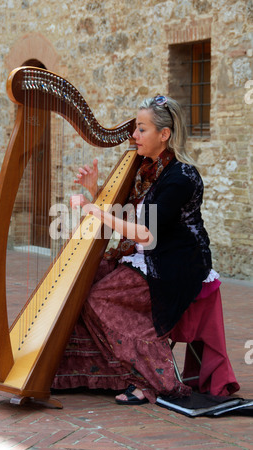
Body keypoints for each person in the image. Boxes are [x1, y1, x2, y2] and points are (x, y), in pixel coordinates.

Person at [51, 95, 238, 405]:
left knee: (99, 297)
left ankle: (155, 379)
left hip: (175, 264)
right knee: (82, 281)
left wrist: (95, 211)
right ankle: (102, 373)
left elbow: (146, 231)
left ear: (164, 134)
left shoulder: (181, 177)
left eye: (141, 129)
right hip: (147, 255)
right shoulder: (148, 171)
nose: (133, 136)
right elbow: (131, 218)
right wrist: (96, 190)